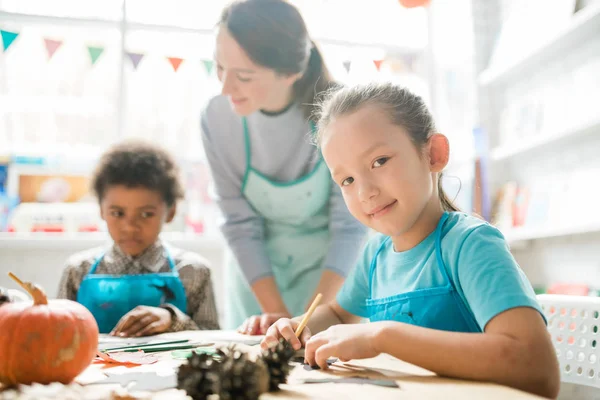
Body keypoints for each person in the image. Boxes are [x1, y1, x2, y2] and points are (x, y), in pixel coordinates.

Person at [260, 83, 560, 398]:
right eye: (347, 180)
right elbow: (337, 314)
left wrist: (382, 336)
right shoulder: (376, 253)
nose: (365, 192)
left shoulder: (471, 245)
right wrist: (296, 327)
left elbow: (538, 369)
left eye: (379, 161)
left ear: (433, 154)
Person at [201, 0, 367, 331]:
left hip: (330, 276)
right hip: (257, 282)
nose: (225, 87)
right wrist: (275, 315)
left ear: (291, 73)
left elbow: (349, 226)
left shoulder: (340, 112)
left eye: (244, 76)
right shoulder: (216, 117)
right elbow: (239, 223)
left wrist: (311, 318)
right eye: (219, 68)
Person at [57, 140, 219, 336]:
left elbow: (212, 340)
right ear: (101, 210)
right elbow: (60, 337)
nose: (130, 226)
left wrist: (172, 320)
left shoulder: (194, 272)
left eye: (146, 214)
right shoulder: (77, 272)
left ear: (170, 212)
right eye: (117, 213)